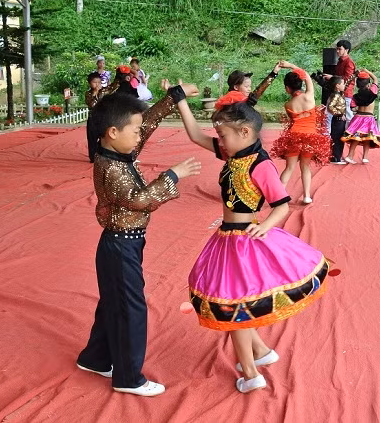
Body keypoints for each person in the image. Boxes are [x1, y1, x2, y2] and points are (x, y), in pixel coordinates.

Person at [175, 97, 329, 394]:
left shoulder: (261, 165)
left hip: (244, 242)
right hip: (226, 239)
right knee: (233, 303)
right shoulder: (233, 154)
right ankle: (260, 351)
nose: (219, 141)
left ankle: (250, 373)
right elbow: (195, 135)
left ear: (244, 132)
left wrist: (265, 227)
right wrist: (179, 99)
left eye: (223, 135)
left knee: (231, 307)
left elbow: (282, 205)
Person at [76, 85, 201, 397]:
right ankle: (128, 377)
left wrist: (174, 97)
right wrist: (173, 175)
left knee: (111, 304)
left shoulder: (117, 149)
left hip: (122, 243)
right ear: (113, 131)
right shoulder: (111, 166)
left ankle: (95, 358)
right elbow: (140, 199)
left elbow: (146, 126)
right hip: (120, 246)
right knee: (132, 309)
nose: (139, 134)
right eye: (133, 129)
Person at [270, 67, 331, 204]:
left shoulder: (288, 105)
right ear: (301, 84)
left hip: (294, 137)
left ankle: (279, 197)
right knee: (305, 167)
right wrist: (289, 65)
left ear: (287, 88)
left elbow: (292, 122)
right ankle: (307, 196)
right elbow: (307, 76)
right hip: (310, 136)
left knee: (289, 168)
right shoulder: (309, 97)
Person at [342, 69, 380, 164]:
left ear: (357, 85)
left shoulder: (355, 96)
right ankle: (365, 157)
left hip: (358, 118)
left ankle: (350, 155)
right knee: (367, 138)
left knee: (355, 137)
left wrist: (358, 109)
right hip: (369, 119)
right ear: (368, 84)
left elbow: (352, 108)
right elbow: (375, 79)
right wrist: (367, 71)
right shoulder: (372, 91)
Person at [215, 61, 283, 109]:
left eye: (250, 86)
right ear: (236, 87)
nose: (249, 89)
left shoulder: (245, 99)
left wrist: (274, 73)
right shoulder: (230, 101)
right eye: (246, 86)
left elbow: (260, 90)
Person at [85, 71, 115, 163]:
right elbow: (92, 104)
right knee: (92, 138)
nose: (97, 84)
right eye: (94, 82)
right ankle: (93, 157)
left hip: (103, 118)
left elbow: (114, 87)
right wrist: (95, 93)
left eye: (99, 82)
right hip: (92, 119)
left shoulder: (104, 91)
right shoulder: (88, 94)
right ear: (90, 83)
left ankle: (104, 154)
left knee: (105, 137)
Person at [324, 40, 356, 122]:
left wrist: (332, 77)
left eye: (339, 49)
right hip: (337, 90)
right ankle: (327, 133)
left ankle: (354, 131)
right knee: (329, 112)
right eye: (337, 49)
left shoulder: (349, 62)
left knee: (347, 113)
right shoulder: (340, 61)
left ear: (346, 50)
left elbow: (348, 78)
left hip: (345, 92)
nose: (337, 51)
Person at [326, 76, 348, 164]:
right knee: (337, 138)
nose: (344, 85)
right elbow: (330, 107)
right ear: (337, 86)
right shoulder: (335, 95)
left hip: (340, 119)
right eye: (342, 84)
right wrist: (339, 113)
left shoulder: (339, 94)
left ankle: (337, 156)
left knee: (339, 137)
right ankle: (335, 157)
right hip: (338, 119)